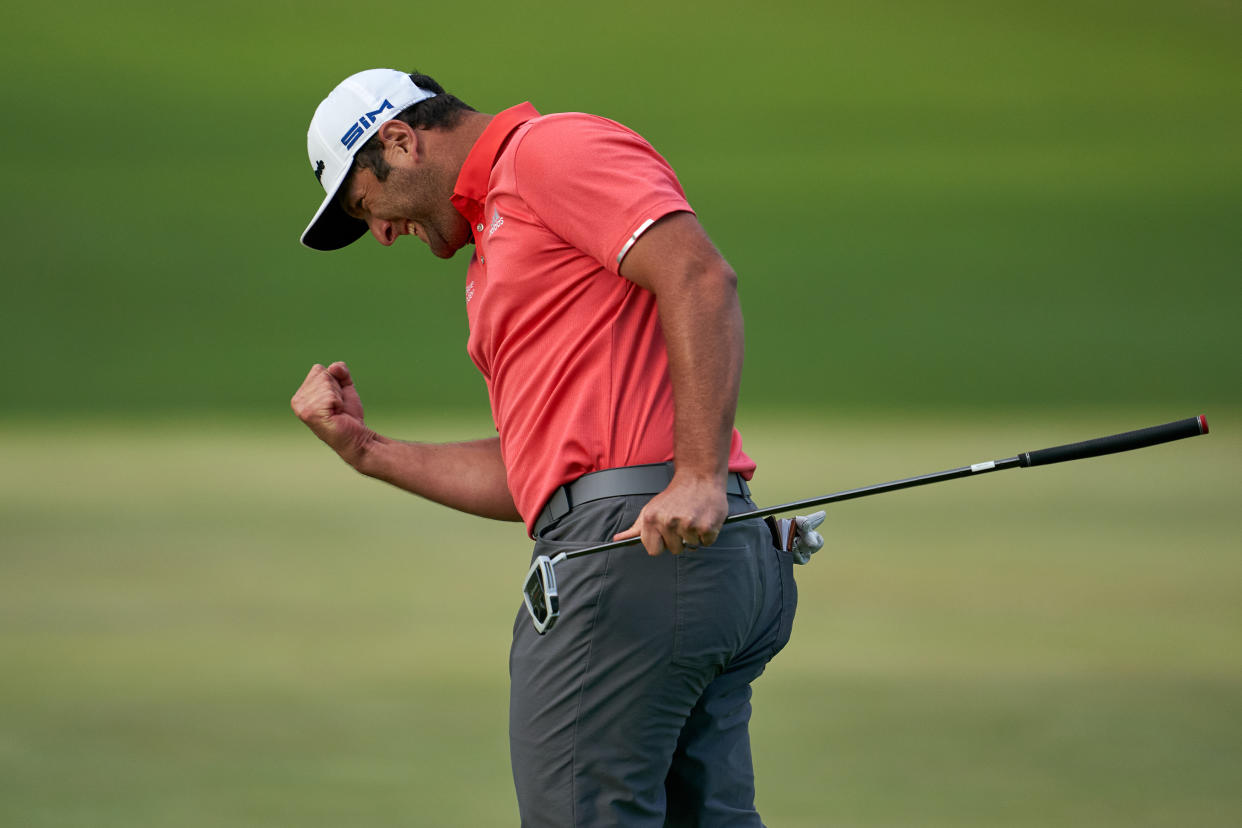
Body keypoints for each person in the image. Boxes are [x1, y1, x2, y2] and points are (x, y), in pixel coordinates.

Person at [291, 68, 811, 827]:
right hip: (680, 554)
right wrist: (367, 450)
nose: (380, 232)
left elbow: (698, 276)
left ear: (399, 140)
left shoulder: (547, 153)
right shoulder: (500, 243)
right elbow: (538, 478)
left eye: (367, 205)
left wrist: (698, 474)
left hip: (638, 556)